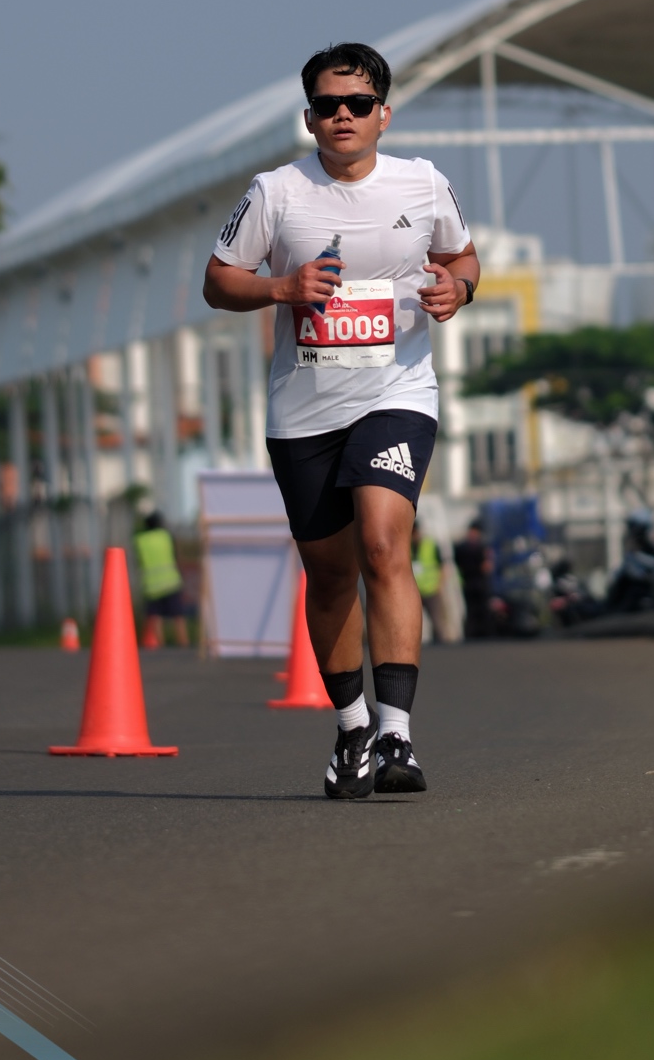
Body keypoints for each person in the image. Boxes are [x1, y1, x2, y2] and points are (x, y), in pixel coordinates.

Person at [204, 41, 480, 798]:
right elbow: (219, 281)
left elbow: (463, 257)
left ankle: (397, 734)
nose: (343, 116)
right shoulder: (276, 192)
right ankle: (352, 727)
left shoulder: (423, 183)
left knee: (385, 545)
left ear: (383, 114)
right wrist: (282, 288)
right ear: (309, 118)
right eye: (328, 105)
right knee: (329, 575)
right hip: (303, 410)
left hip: (397, 392)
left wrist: (459, 291)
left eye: (358, 104)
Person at [134, 510, 189, 647]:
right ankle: (184, 645)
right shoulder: (166, 536)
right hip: (171, 581)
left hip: (152, 585)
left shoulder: (140, 540)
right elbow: (177, 555)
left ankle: (162, 648)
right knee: (178, 616)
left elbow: (139, 561)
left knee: (155, 617)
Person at [453, 519, 492, 639]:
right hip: (470, 581)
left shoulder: (481, 547)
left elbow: (487, 566)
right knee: (472, 610)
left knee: (482, 609)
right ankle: (473, 634)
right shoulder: (463, 548)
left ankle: (483, 633)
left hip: (479, 582)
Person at [412, 522, 443, 642]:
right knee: (412, 620)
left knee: (436, 619)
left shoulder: (430, 544)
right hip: (414, 590)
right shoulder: (406, 545)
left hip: (431, 589)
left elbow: (442, 566)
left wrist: (439, 584)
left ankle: (440, 644)